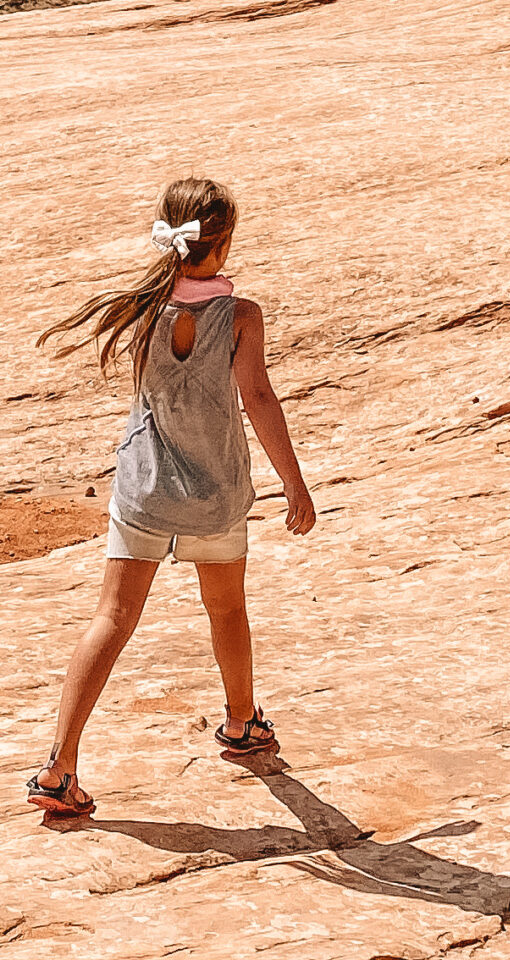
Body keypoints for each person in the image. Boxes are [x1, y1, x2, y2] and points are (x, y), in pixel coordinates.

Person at [25, 176, 316, 821]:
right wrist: (294, 485)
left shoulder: (141, 308)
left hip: (145, 488)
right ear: (227, 241)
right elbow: (259, 399)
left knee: (111, 618)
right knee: (226, 612)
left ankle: (58, 764)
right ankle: (242, 724)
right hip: (214, 494)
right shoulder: (241, 317)